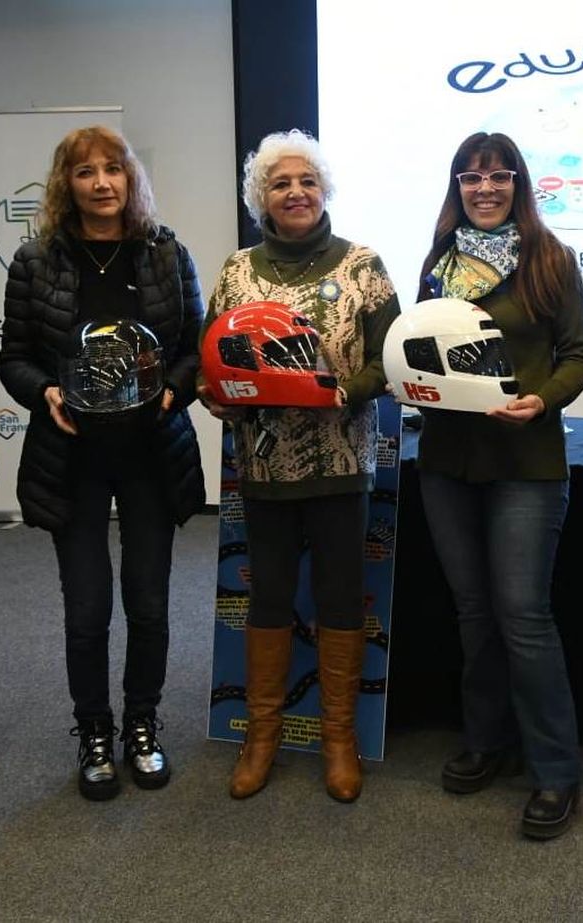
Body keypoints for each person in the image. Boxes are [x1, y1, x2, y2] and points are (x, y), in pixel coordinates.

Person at [0, 126, 204, 801]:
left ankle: (142, 724)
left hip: (151, 453)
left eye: (113, 168)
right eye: (85, 171)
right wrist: (46, 390)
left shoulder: (168, 254)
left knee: (147, 604)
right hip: (71, 458)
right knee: (86, 611)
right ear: (67, 184)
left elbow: (196, 347)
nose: (101, 182)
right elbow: (14, 356)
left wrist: (176, 388)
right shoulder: (36, 261)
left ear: (131, 177)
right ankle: (93, 730)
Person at [199, 129, 398, 803]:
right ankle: (262, 736)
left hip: (342, 460)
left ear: (324, 190)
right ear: (263, 197)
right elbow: (215, 360)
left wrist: (349, 388)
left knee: (342, 596)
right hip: (263, 468)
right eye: (281, 183)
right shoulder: (235, 271)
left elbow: (388, 356)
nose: (296, 192)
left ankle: (338, 737)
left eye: (307, 181)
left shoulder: (364, 265)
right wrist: (218, 394)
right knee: (271, 596)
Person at [414, 132, 583, 840]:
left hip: (526, 462)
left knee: (522, 615)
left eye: (498, 176)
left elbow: (580, 354)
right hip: (449, 462)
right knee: (472, 612)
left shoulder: (551, 259)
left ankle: (556, 770)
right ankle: (488, 741)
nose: (484, 188)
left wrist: (542, 400)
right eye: (471, 176)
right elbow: (419, 345)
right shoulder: (438, 262)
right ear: (457, 185)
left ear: (519, 184)